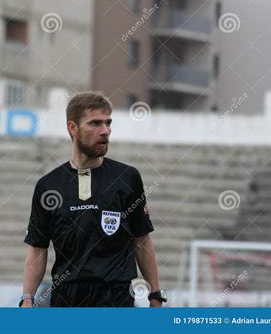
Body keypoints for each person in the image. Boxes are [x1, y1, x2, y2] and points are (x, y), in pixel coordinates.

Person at [21, 92, 167, 307]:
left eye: (108, 123)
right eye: (95, 123)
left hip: (116, 297)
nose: (105, 131)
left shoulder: (127, 178)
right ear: (73, 128)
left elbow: (142, 239)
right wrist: (27, 298)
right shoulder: (48, 186)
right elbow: (38, 247)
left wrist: (155, 293)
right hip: (67, 298)